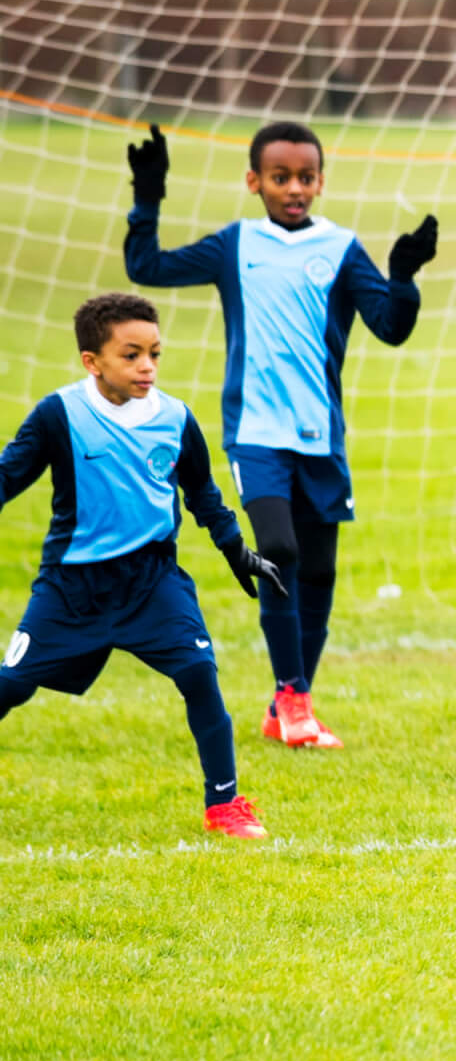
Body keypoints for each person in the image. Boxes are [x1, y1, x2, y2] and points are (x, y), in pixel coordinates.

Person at [122, 121, 437, 750]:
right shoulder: (235, 245)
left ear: (321, 181)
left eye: (306, 177)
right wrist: (148, 195)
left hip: (321, 437)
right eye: (280, 177)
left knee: (318, 571)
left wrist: (403, 278)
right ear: (253, 182)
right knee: (279, 551)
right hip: (256, 433)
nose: (295, 189)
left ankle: (288, 702)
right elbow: (147, 266)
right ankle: (294, 699)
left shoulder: (342, 248)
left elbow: (390, 327)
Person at [1, 293, 281, 838]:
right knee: (11, 686)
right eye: (130, 355)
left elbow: (201, 491)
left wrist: (236, 550)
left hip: (153, 583)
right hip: (71, 589)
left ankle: (223, 805)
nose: (146, 366)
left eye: (154, 353)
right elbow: (7, 478)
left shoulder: (175, 417)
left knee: (200, 675)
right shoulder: (60, 415)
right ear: (92, 361)